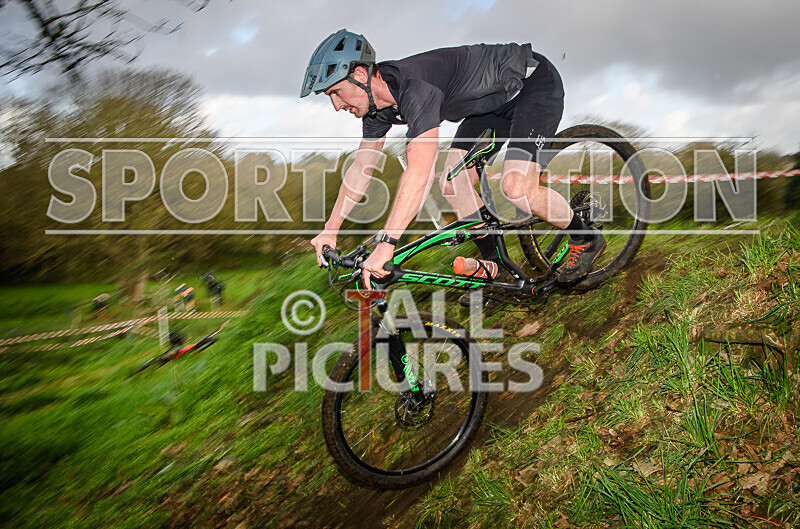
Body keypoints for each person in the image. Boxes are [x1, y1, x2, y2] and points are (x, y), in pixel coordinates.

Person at [303, 29, 605, 304]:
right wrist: (330, 230)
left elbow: (418, 172)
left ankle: (586, 238)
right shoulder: (376, 109)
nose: (337, 106)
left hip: (531, 86)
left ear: (359, 74)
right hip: (490, 107)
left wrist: (388, 242)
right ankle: (497, 271)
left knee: (516, 188)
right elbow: (361, 170)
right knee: (452, 182)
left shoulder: (415, 87)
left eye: (335, 92)